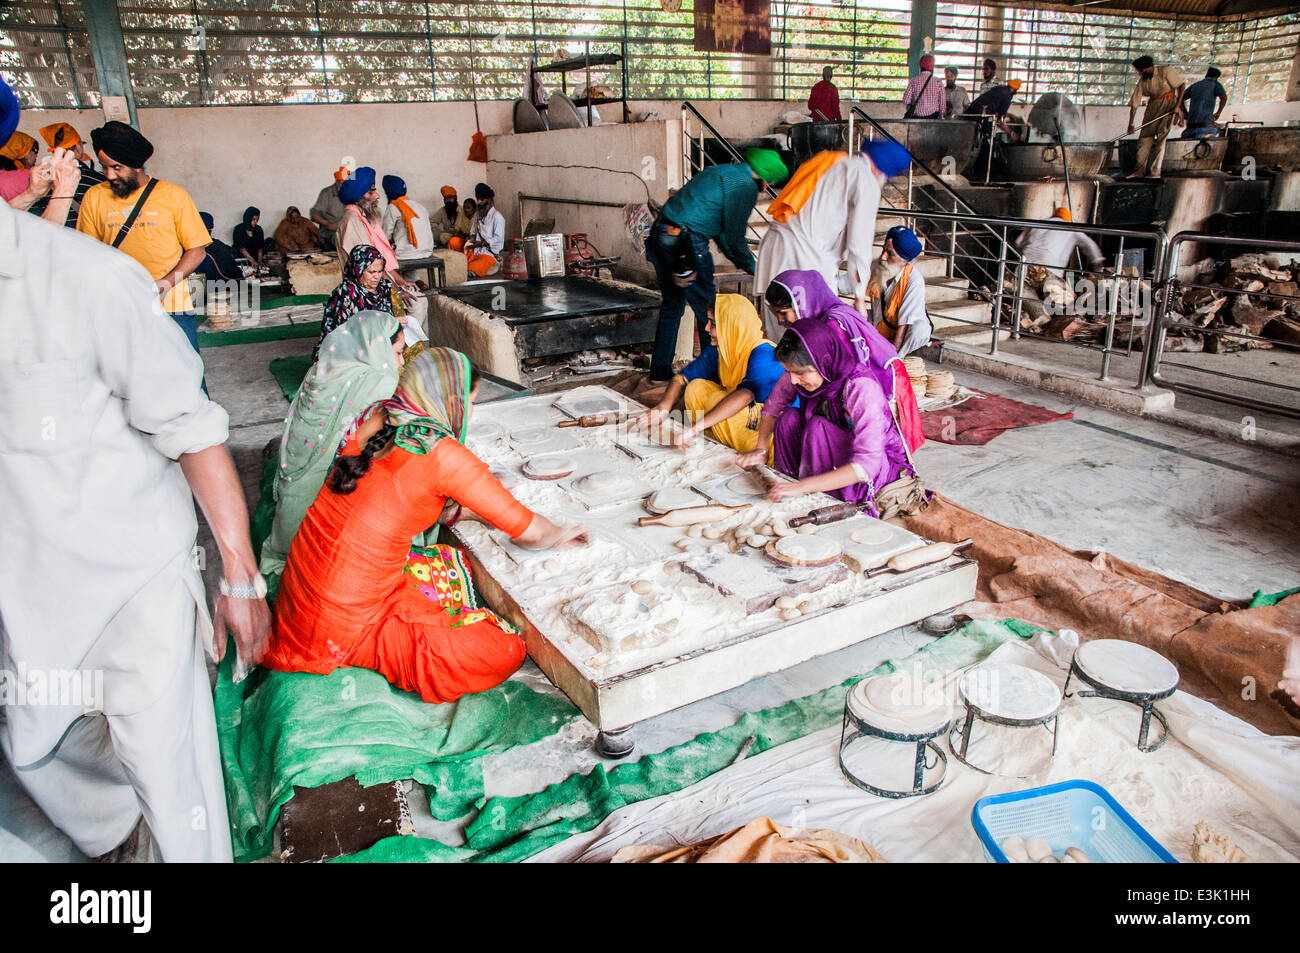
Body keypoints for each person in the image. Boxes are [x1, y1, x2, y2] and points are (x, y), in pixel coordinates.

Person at [0, 178, 270, 863]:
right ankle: (119, 842)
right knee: (42, 753)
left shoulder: (88, 280)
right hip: (23, 601)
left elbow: (193, 429)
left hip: (132, 588)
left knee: (171, 779)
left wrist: (239, 578)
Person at [263, 347, 588, 704]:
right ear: (451, 400)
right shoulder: (443, 455)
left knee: (438, 566)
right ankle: (371, 645)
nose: (469, 413)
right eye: (470, 403)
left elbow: (399, 498)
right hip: (340, 627)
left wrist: (475, 513)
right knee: (504, 649)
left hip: (304, 596)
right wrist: (560, 532)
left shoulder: (374, 418)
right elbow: (533, 533)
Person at [260, 311, 405, 581]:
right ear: (378, 349)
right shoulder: (379, 383)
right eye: (397, 352)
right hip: (321, 530)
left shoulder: (325, 369)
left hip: (290, 511)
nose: (401, 360)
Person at [735, 320, 920, 518]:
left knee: (818, 427)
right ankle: (791, 486)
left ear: (823, 362)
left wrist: (802, 487)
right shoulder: (801, 373)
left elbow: (867, 465)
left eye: (799, 373)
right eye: (789, 372)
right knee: (789, 419)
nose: (793, 380)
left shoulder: (861, 387)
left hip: (876, 470)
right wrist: (761, 449)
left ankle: (824, 497)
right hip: (829, 454)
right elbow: (772, 407)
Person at [644, 148, 788, 382]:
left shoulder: (720, 171)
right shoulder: (745, 187)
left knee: (672, 306)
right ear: (764, 179)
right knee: (709, 314)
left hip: (662, 233)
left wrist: (742, 259)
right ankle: (710, 376)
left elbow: (722, 232)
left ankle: (658, 374)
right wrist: (755, 269)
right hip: (687, 242)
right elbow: (733, 237)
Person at [76, 121, 212, 360]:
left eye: (116, 167)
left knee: (187, 378)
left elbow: (197, 251)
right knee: (131, 381)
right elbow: (87, 253)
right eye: (104, 167)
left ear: (136, 165)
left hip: (172, 305)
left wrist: (166, 283)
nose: (109, 175)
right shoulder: (93, 198)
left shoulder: (173, 196)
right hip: (119, 307)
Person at [763, 268, 925, 453]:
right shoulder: (816, 325)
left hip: (885, 383)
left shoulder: (833, 325)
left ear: (802, 302)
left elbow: (848, 381)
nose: (780, 320)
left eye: (783, 312)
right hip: (864, 388)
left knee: (872, 447)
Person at [756, 140, 911, 328]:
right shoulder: (865, 179)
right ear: (882, 171)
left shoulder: (832, 161)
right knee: (809, 335)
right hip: (803, 258)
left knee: (776, 330)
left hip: (776, 248)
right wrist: (860, 298)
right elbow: (859, 244)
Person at [634, 295, 784, 456]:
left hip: (771, 427)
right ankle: (714, 438)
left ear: (731, 326)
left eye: (713, 323)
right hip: (744, 414)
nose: (706, 328)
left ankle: (754, 453)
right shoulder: (723, 348)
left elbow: (745, 395)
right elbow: (682, 378)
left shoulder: (764, 354)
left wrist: (695, 427)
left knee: (722, 411)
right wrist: (663, 407)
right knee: (695, 388)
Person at [335, 165, 427, 340]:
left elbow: (380, 261)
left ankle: (413, 351)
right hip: (365, 293)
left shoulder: (364, 218)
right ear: (359, 196)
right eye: (372, 192)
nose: (376, 196)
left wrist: (401, 282)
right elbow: (369, 271)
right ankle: (401, 353)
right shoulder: (351, 222)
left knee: (419, 298)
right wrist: (396, 291)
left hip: (377, 283)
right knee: (417, 305)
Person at [1015, 207, 1104, 324]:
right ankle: (1055, 325)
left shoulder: (1038, 223)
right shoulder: (1070, 227)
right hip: (1048, 268)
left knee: (1024, 297)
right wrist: (1098, 262)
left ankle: (1026, 320)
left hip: (1024, 265)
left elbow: (1018, 241)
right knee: (1064, 303)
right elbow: (1089, 245)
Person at [315, 244, 396, 360]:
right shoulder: (345, 293)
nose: (377, 277)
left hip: (379, 343)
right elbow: (342, 334)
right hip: (350, 348)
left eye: (380, 271)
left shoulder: (383, 288)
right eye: (371, 272)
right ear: (358, 269)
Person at [869, 226, 931, 358]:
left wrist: (893, 358)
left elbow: (903, 324)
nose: (883, 257)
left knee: (919, 330)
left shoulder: (914, 280)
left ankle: (898, 360)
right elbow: (849, 284)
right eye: (883, 250)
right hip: (880, 324)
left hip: (904, 328)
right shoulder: (877, 267)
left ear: (904, 260)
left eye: (890, 253)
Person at [30, 122, 106, 227]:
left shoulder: (39, 180)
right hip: (82, 239)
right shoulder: (98, 180)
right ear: (78, 148)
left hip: (47, 237)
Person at [1125, 55, 1185, 180]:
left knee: (1161, 139)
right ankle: (1139, 171)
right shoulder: (1142, 81)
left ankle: (1155, 172)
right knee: (1144, 138)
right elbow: (1135, 104)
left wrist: (1177, 106)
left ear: (1149, 67)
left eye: (1141, 71)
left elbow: (1181, 86)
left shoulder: (1166, 71)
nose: (1139, 74)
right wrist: (1130, 124)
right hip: (1152, 107)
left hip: (1168, 104)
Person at [381, 174, 434, 263]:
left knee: (381, 256)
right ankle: (415, 278)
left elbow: (385, 236)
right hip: (427, 251)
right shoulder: (419, 205)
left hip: (405, 254)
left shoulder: (393, 207)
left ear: (388, 192)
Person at [464, 182, 506, 277]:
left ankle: (473, 267)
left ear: (490, 200)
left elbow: (499, 241)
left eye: (481, 200)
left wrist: (481, 243)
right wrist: (470, 239)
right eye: (478, 199)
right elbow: (473, 232)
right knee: (454, 242)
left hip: (488, 255)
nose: (478, 202)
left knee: (470, 268)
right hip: (475, 251)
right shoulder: (477, 215)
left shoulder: (497, 217)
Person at [194, 211, 244, 283]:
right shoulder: (219, 244)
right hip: (236, 284)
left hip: (213, 289)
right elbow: (234, 253)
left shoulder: (194, 250)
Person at [1181, 67, 1227, 139]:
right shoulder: (1215, 84)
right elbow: (1224, 97)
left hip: (1190, 127)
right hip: (1205, 127)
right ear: (1216, 77)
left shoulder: (1195, 85)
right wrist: (1218, 112)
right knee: (1220, 134)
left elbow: (1180, 98)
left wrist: (1185, 112)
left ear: (1206, 75)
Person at [310, 165, 348, 251]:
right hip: (330, 234)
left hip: (346, 231)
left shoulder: (350, 193)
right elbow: (315, 213)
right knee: (339, 241)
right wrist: (328, 224)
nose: (346, 186)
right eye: (343, 183)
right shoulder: (327, 193)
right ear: (337, 181)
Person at [902, 54, 944, 119]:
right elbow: (942, 105)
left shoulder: (913, 81)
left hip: (917, 119)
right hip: (933, 118)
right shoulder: (938, 82)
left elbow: (906, 100)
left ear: (920, 65)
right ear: (932, 66)